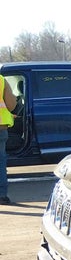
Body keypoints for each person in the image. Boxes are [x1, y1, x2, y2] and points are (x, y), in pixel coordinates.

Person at [0, 74, 16, 204]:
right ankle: (1, 196)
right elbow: (11, 105)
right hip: (0, 128)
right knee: (0, 163)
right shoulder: (1, 80)